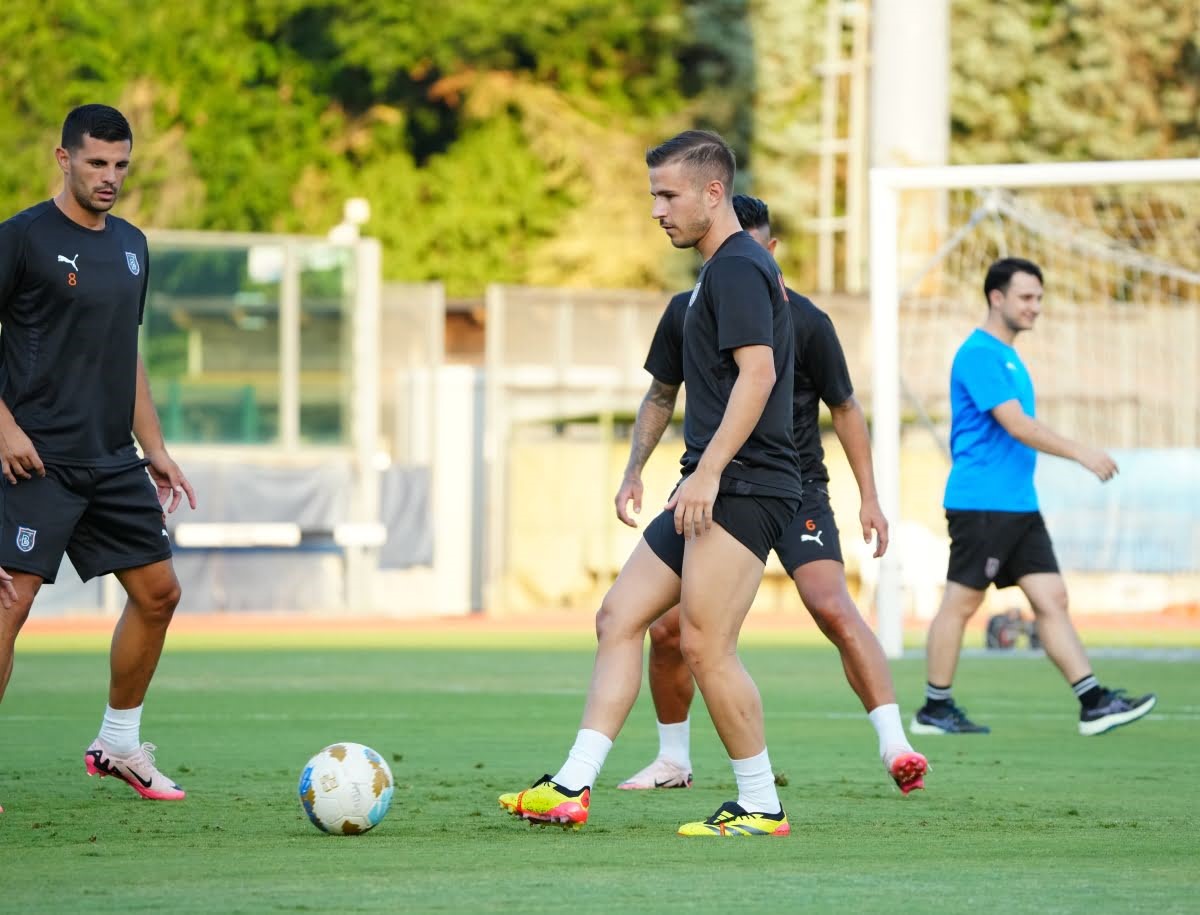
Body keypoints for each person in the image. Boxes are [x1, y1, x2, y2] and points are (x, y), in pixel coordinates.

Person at [499, 130, 802, 837]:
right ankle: (571, 784)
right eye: (653, 196)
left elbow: (759, 376)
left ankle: (761, 804)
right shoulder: (702, 285)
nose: (657, 210)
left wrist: (712, 470)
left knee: (704, 644)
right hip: (709, 481)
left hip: (747, 484)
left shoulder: (737, 268)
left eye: (667, 195)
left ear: (712, 192)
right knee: (619, 615)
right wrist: (641, 469)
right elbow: (666, 391)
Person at [614, 195, 927, 796]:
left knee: (830, 605)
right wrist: (638, 470)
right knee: (668, 630)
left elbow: (845, 406)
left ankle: (895, 744)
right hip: (718, 490)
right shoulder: (691, 310)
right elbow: (660, 395)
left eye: (752, 253)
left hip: (793, 490)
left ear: (769, 252)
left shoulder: (805, 321)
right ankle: (673, 760)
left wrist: (870, 497)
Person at [0, 104, 197, 813]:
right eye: (96, 163)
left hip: (112, 459)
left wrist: (157, 448)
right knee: (10, 601)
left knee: (159, 594)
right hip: (35, 458)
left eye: (120, 164)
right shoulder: (21, 238)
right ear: (63, 159)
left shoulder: (133, 246)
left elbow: (126, 352)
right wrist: (5, 428)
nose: (110, 177)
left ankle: (118, 741)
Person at [911, 257, 1155, 737]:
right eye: (1026, 297)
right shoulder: (979, 354)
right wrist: (1080, 452)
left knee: (1052, 598)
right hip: (983, 503)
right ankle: (934, 709)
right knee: (960, 603)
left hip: (1017, 504)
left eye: (1039, 298)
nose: (1035, 307)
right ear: (996, 298)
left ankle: (1093, 702)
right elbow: (1017, 425)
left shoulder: (1009, 356)